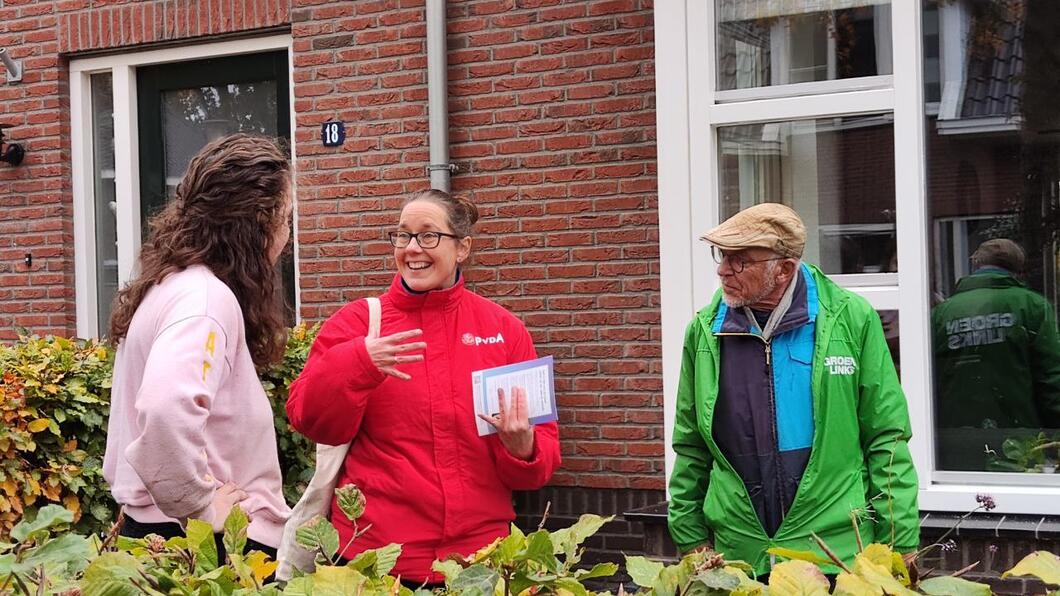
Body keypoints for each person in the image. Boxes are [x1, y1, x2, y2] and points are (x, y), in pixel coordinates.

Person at [286, 189, 561, 584]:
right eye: (403, 235)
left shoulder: (504, 332)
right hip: (379, 564)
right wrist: (360, 361)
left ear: (462, 247)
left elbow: (538, 466)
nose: (412, 248)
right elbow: (309, 420)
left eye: (428, 235)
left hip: (480, 564)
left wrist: (523, 449)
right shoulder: (358, 324)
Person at [668, 203, 919, 577]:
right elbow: (691, 445)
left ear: (783, 269)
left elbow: (888, 438)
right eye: (721, 255)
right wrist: (691, 540)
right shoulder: (705, 332)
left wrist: (899, 546)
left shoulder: (850, 320)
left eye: (739, 260)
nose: (722, 269)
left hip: (834, 557)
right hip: (740, 559)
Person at [103, 134, 293, 558]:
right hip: (208, 544)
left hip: (169, 531)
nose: (287, 233)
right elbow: (166, 407)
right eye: (285, 217)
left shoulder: (172, 284)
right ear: (259, 222)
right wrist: (200, 504)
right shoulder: (204, 300)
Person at [931, 239, 1060, 469]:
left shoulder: (942, 314)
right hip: (1020, 444)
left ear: (976, 265)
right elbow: (1051, 380)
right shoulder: (1033, 307)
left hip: (954, 444)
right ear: (1018, 270)